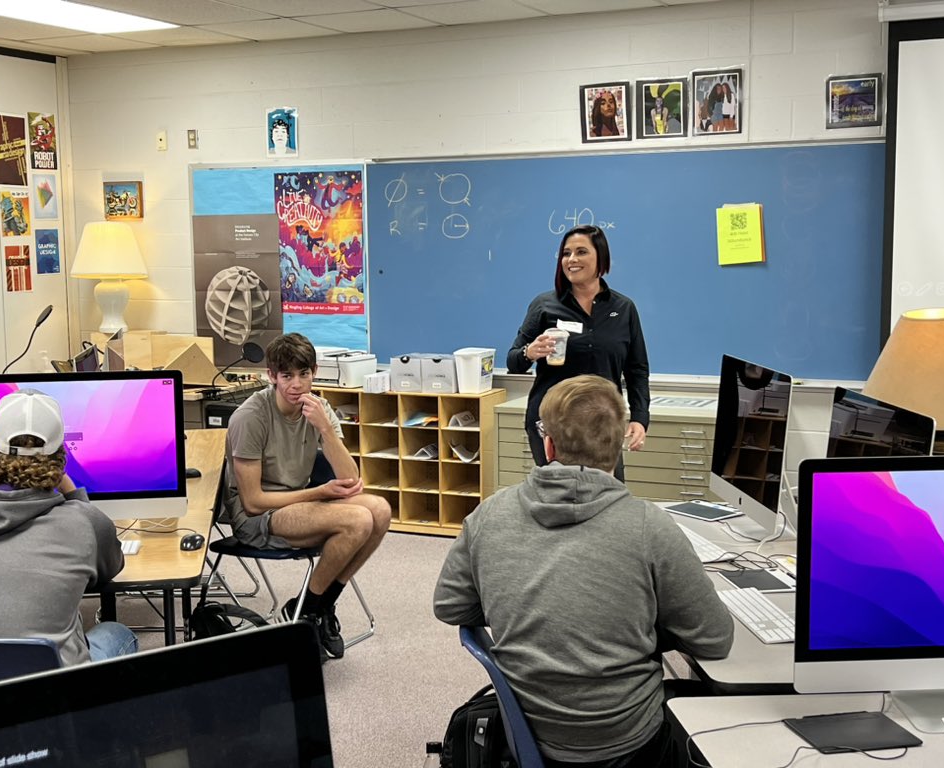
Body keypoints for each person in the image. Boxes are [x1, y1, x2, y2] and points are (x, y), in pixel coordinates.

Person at [434, 375, 734, 768]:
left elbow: (450, 606)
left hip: (526, 731)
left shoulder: (488, 515)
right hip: (630, 742)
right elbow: (715, 640)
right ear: (621, 441)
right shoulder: (650, 526)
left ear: (549, 444)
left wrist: (522, 605)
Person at [0, 389, 137, 665]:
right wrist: (75, 497)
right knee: (117, 633)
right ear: (60, 459)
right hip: (52, 694)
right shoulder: (83, 522)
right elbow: (111, 567)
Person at [224, 332, 391, 662]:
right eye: (287, 376)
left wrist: (326, 431)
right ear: (272, 376)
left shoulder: (320, 408)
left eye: (304, 374)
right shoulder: (250, 418)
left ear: (315, 371)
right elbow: (252, 502)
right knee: (357, 520)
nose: (297, 384)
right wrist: (319, 492)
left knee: (380, 511)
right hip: (259, 518)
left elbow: (351, 479)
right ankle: (310, 611)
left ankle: (315, 606)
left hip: (299, 503)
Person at [507, 224, 650, 481]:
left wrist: (640, 418)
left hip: (603, 423)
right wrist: (530, 352)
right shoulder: (544, 306)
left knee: (608, 499)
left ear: (601, 258)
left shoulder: (623, 308)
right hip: (552, 423)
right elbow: (514, 361)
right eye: (566, 253)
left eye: (581, 252)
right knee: (559, 501)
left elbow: (637, 370)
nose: (571, 260)